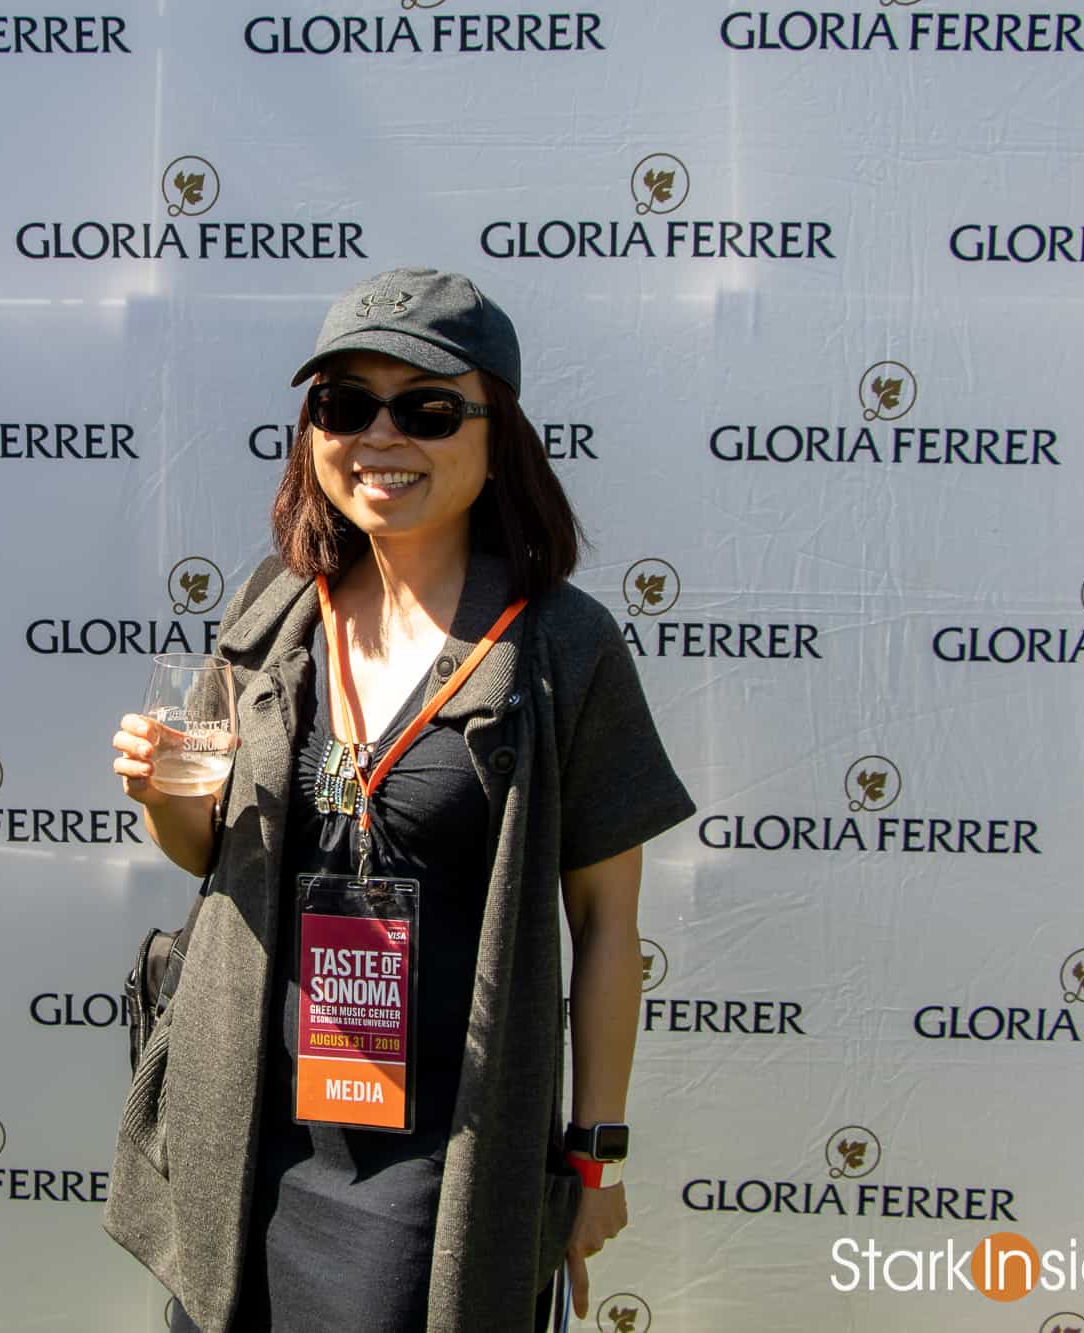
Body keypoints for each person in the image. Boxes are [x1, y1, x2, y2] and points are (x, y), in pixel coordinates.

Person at [103, 267, 696, 1333]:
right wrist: (160, 794)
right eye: (345, 405)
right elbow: (209, 857)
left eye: (426, 410)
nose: (380, 437)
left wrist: (593, 1156)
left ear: (496, 436)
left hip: (441, 1152)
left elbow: (608, 923)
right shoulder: (274, 609)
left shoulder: (561, 647)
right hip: (244, 1131)